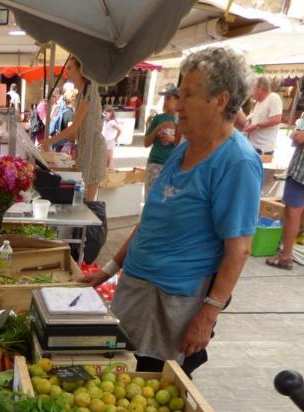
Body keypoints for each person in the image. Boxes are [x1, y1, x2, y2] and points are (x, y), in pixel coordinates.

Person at [83, 46, 262, 376]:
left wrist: (207, 316)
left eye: (188, 95)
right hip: (136, 292)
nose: (177, 104)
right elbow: (150, 219)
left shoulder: (236, 162)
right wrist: (108, 269)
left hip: (173, 303)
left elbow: (238, 250)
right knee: (117, 375)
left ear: (220, 100)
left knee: (152, 391)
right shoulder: (183, 150)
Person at [42, 57, 107, 201]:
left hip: (93, 148)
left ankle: (90, 224)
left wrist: (50, 141)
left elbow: (74, 129)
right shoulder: (81, 94)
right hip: (85, 147)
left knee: (88, 201)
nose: (67, 71)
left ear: (81, 70)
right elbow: (74, 132)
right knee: (82, 196)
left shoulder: (89, 93)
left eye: (70, 67)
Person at [265, 121, 304, 270]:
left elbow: (298, 138)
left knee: (292, 212)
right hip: (299, 171)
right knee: (297, 213)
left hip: (300, 173)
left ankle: (286, 256)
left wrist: (297, 134)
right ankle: (290, 249)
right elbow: (296, 136)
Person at [143, 87, 180, 197]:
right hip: (155, 163)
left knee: (167, 199)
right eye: (165, 98)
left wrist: (173, 139)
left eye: (169, 98)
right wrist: (159, 127)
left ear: (178, 100)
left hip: (173, 165)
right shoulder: (158, 118)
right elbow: (146, 143)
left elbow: (188, 142)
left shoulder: (184, 120)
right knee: (150, 197)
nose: (165, 101)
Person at [244, 75, 282, 159]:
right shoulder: (258, 103)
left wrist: (256, 126)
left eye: (252, 88)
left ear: (259, 89)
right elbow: (254, 119)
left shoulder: (273, 97)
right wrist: (249, 123)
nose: (251, 91)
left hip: (263, 149)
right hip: (252, 146)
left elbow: (276, 119)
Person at [47, 87, 77, 155]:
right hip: (64, 149)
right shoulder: (70, 114)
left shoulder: (61, 111)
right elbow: (71, 134)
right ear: (73, 100)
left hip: (56, 146)